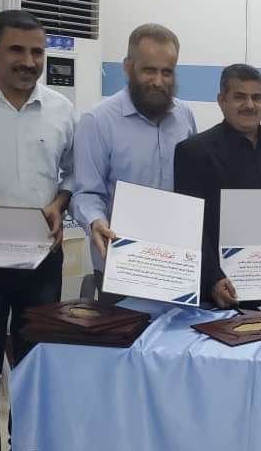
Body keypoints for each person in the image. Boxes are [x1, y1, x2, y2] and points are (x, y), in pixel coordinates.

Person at [0, 10, 76, 451]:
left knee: (34, 366)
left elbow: (73, 174)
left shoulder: (62, 110)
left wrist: (60, 203)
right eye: (16, 50)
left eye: (37, 52)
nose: (29, 61)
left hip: (41, 259)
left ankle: (27, 443)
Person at [70, 24, 196, 299]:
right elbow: (87, 193)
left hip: (175, 265)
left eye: (167, 72)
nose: (158, 81)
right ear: (128, 67)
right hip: (121, 266)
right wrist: (95, 221)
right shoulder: (98, 121)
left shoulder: (185, 116)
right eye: (149, 70)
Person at [174, 64, 261, 307]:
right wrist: (213, 278)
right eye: (239, 97)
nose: (249, 105)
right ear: (221, 100)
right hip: (224, 289)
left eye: (256, 97)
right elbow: (191, 225)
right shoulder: (193, 152)